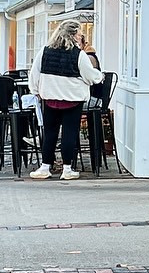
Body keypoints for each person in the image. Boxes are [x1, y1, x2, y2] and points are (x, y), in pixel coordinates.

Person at [27, 19, 102, 180]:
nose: (80, 36)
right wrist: (99, 76)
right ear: (74, 35)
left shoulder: (45, 51)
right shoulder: (79, 55)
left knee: (50, 133)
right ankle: (67, 169)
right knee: (69, 133)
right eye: (80, 34)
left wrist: (36, 90)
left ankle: (45, 167)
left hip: (50, 98)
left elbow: (34, 74)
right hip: (72, 99)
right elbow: (90, 76)